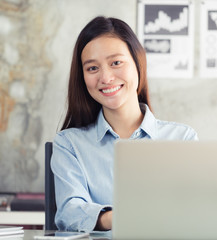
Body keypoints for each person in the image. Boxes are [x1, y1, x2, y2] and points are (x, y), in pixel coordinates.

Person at [50, 16, 198, 233]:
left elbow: (194, 212)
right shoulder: (69, 144)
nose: (106, 77)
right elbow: (69, 213)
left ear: (138, 63)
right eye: (92, 68)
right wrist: (124, 216)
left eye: (116, 63)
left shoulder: (182, 139)